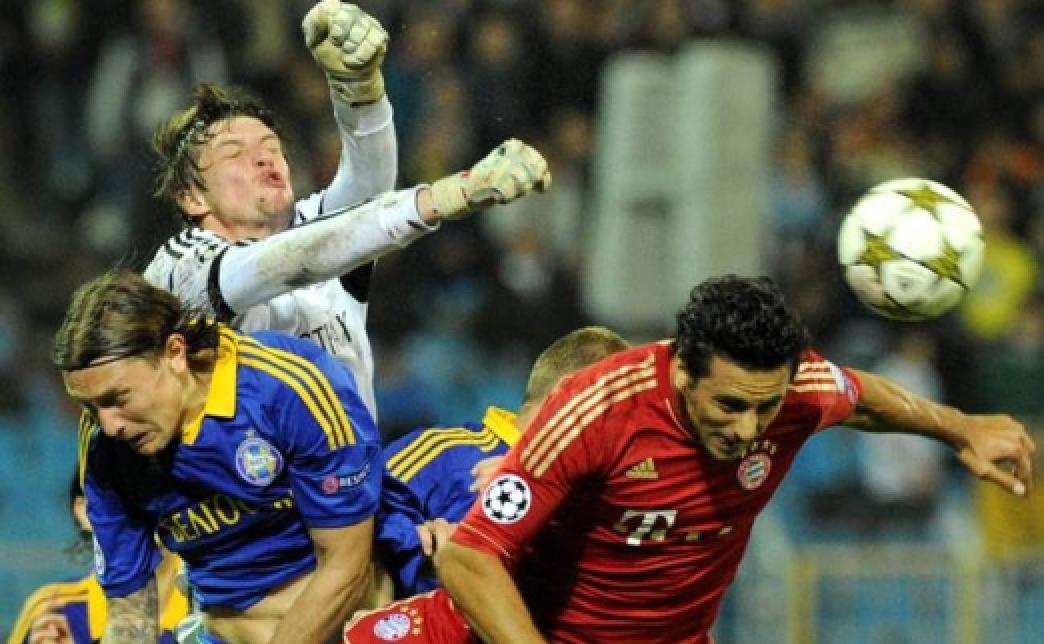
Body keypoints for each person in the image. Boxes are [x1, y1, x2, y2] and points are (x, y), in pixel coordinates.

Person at [435, 274, 1035, 644]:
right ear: (682, 371)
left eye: (766, 407)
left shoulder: (798, 390)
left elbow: (863, 397)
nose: (748, 428)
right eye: (729, 404)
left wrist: (960, 429)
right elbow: (468, 557)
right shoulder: (596, 410)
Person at [142, 1, 550, 418]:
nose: (264, 158)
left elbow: (368, 193)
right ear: (191, 197)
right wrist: (443, 197)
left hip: (355, 461)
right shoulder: (179, 266)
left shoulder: (311, 225)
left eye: (271, 147)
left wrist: (359, 89)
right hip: (242, 463)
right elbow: (285, 262)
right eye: (234, 153)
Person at [52, 270, 384, 644]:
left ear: (174, 353)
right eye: (90, 407)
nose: (109, 425)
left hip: (340, 629)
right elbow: (131, 609)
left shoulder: (289, 389)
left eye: (118, 398)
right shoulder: (104, 444)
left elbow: (346, 568)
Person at [375, 326, 631, 598]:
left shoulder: (605, 495)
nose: (628, 429)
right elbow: (356, 524)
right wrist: (420, 544)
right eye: (617, 410)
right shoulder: (446, 454)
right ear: (567, 395)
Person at [8, 469, 189, 644]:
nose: (145, 505)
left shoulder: (203, 605)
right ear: (85, 512)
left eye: (155, 487)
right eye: (123, 490)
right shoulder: (53, 611)